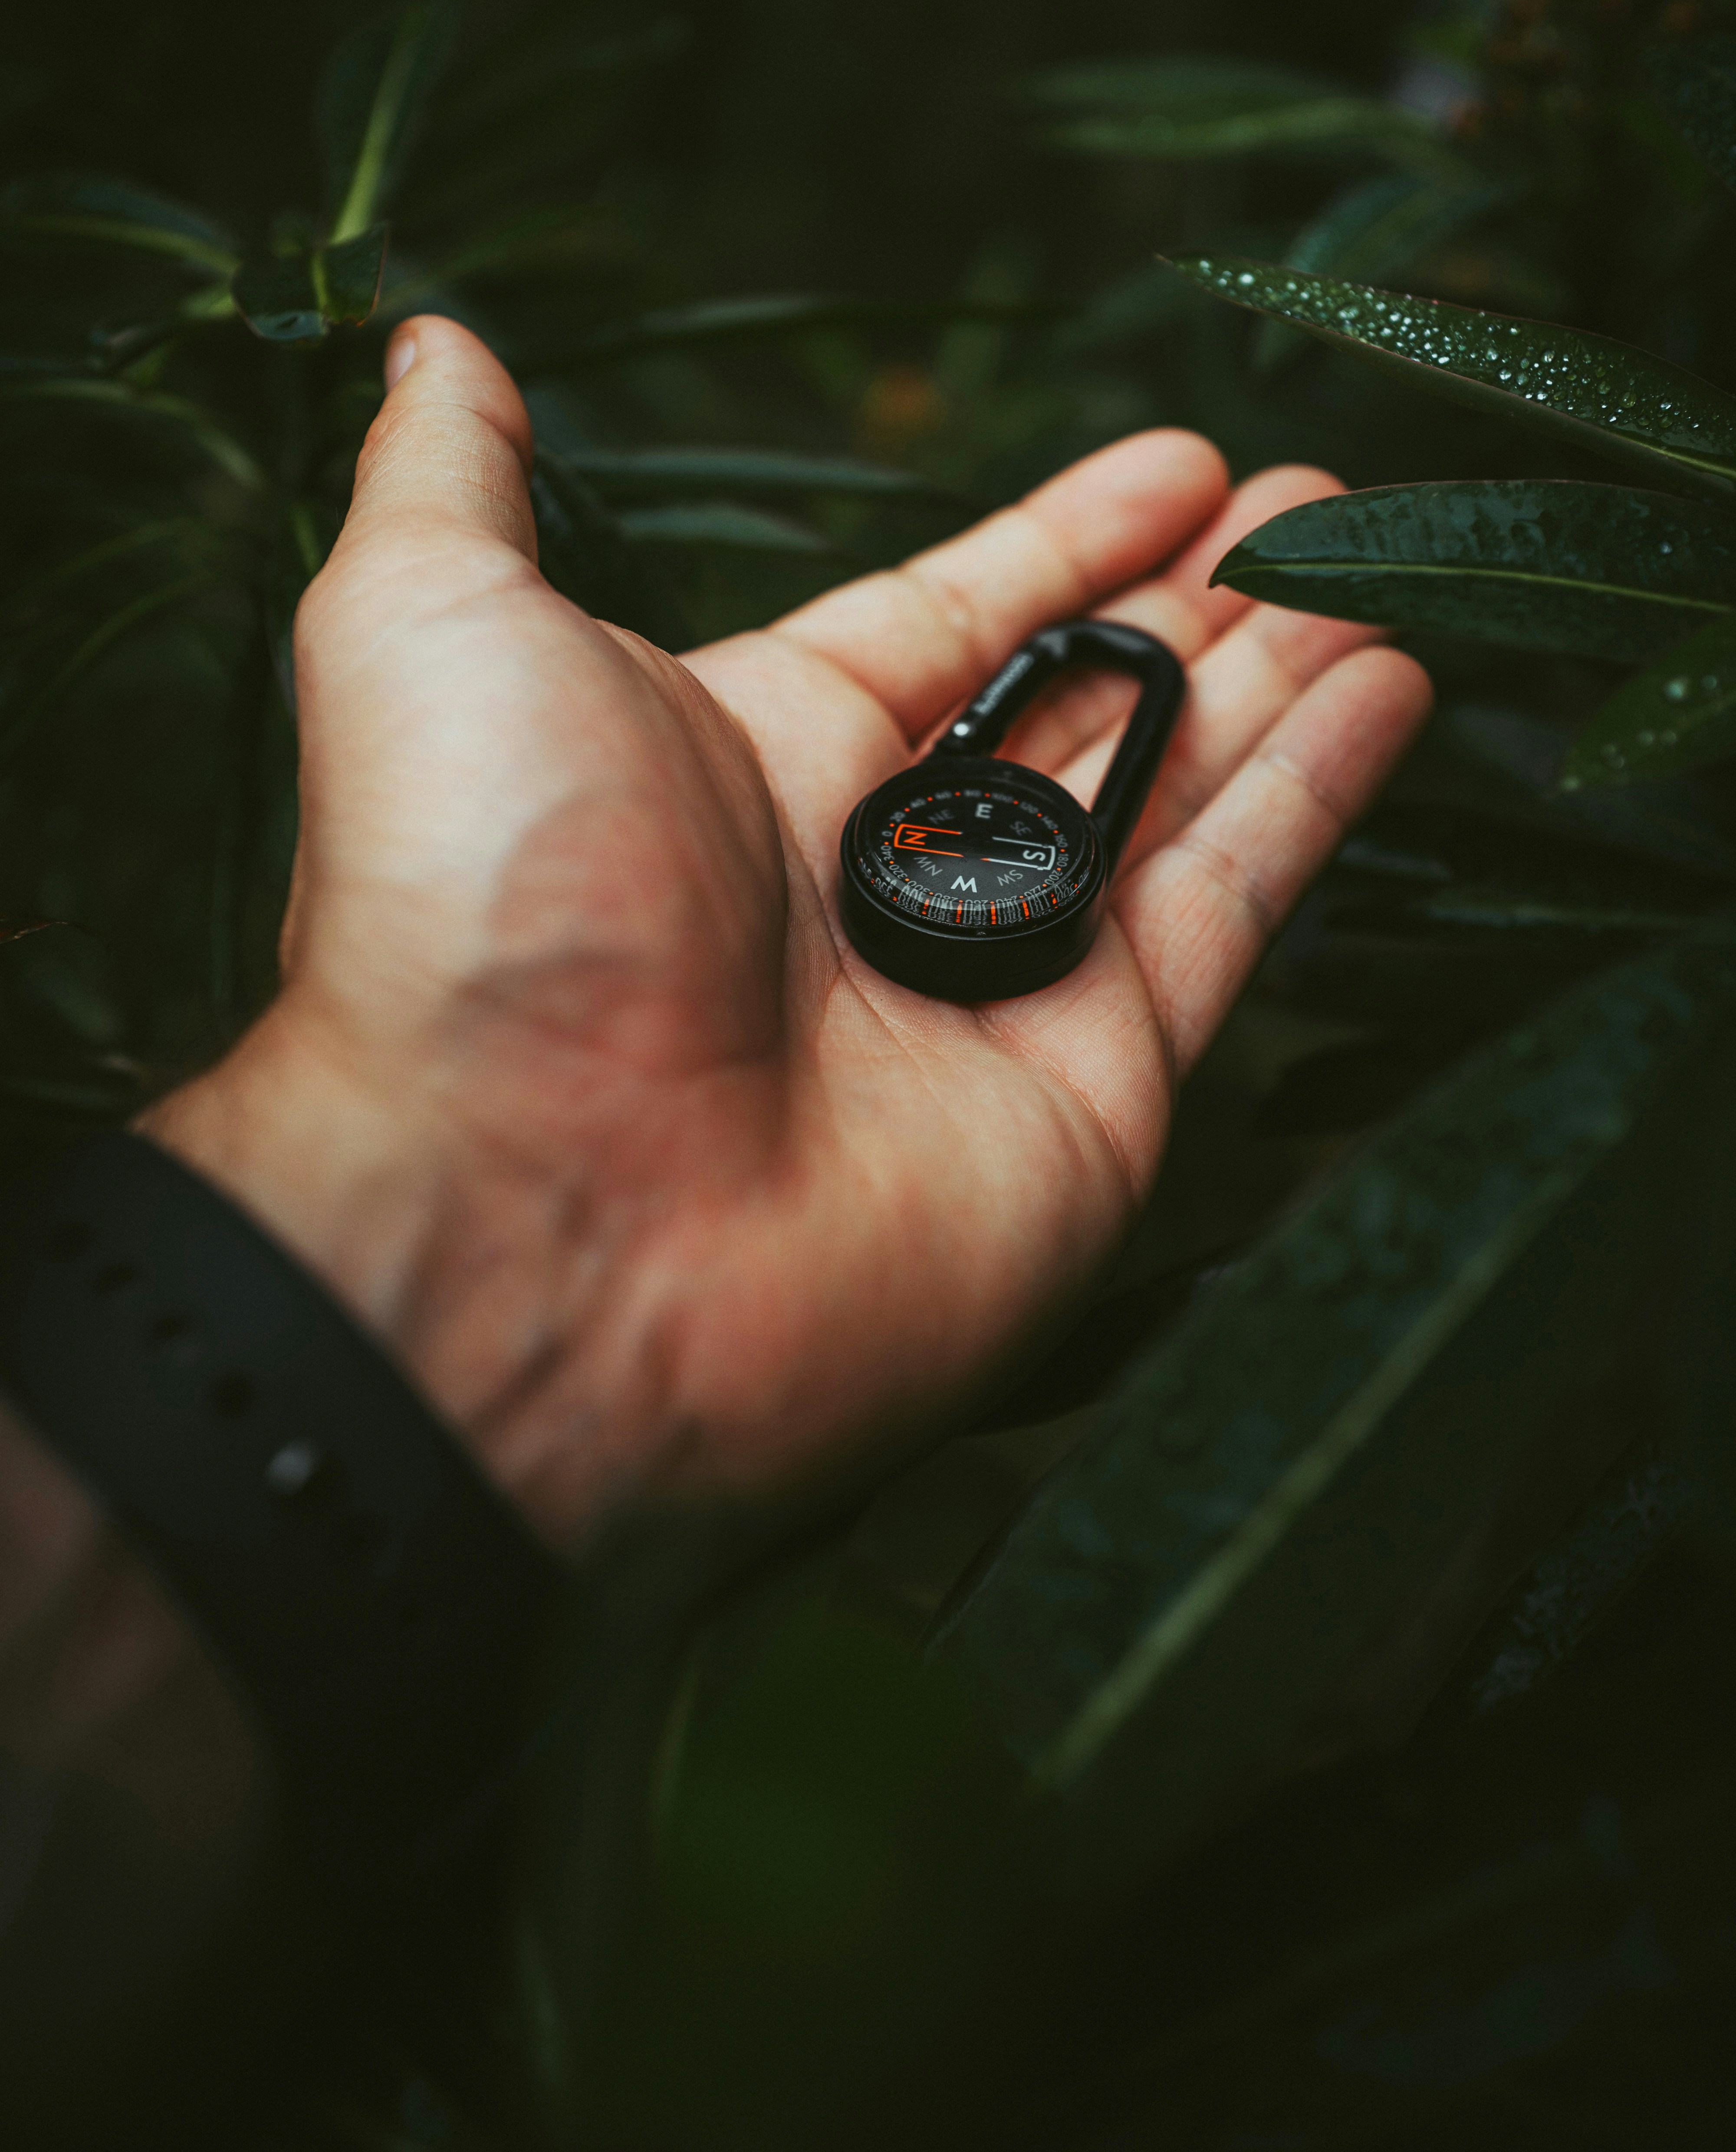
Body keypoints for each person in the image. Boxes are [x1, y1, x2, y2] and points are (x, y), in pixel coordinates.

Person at [0, 316, 1430, 2000]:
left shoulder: (975, 839)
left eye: (992, 863)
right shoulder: (947, 840)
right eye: (954, 848)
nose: (968, 862)